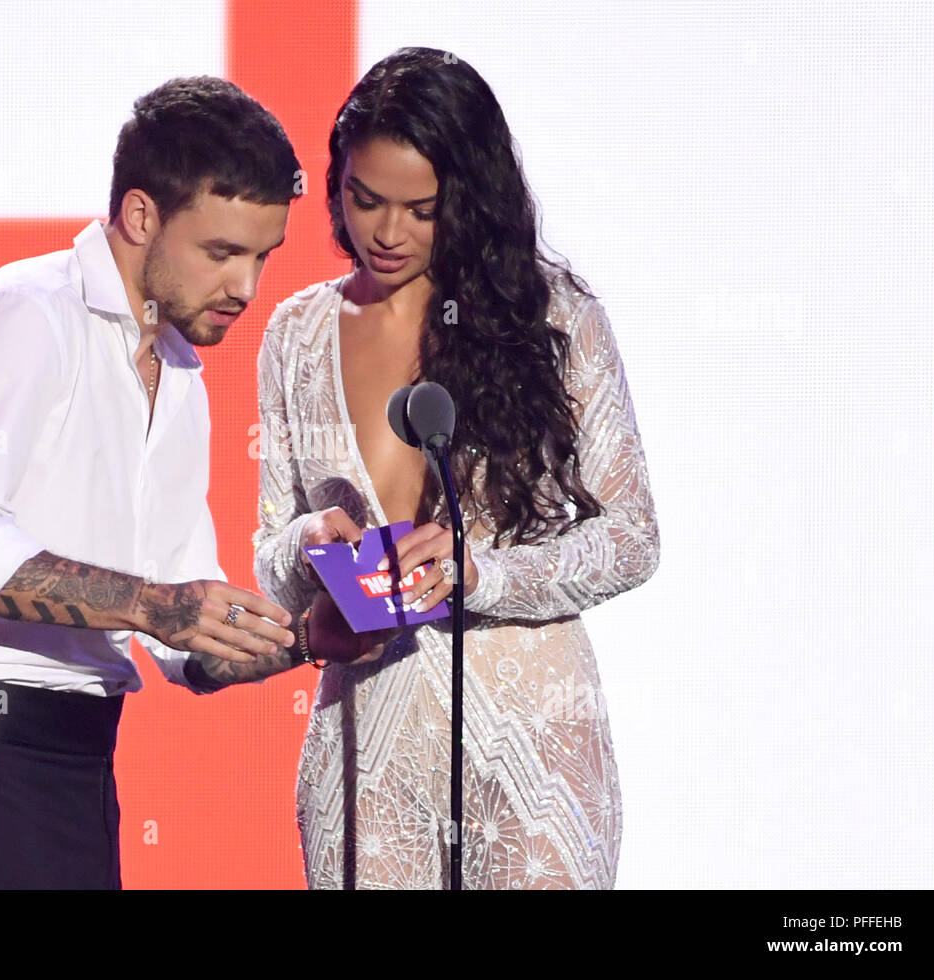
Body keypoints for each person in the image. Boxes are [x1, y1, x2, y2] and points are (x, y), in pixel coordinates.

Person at [189, 48, 661, 889]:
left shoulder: (555, 319)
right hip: (369, 740)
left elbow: (631, 538)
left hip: (532, 737)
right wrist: (306, 544)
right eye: (364, 199)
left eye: (421, 208)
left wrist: (483, 573)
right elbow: (270, 547)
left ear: (470, 199)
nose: (386, 231)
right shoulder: (297, 334)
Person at [0, 76, 303, 890]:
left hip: (79, 768)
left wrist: (306, 638)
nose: (247, 288)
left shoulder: (177, 368)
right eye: (222, 253)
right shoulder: (26, 317)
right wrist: (152, 605)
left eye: (262, 257)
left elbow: (178, 628)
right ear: (142, 216)